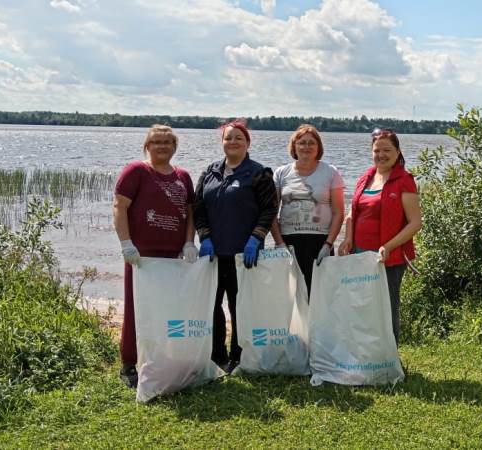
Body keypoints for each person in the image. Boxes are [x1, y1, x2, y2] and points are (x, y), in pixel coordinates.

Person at [113, 124, 197, 389]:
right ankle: (129, 362)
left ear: (175, 147)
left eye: (168, 142)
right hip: (142, 256)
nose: (162, 146)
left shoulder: (183, 176)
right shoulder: (136, 171)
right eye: (157, 141)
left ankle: (162, 357)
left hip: (173, 255)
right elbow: (119, 207)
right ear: (147, 146)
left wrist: (188, 242)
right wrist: (126, 243)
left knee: (168, 308)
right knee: (136, 307)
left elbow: (190, 212)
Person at [194, 119, 278, 374]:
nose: (233, 142)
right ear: (222, 142)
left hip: (245, 255)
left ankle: (239, 356)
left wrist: (256, 237)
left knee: (239, 305)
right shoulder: (210, 171)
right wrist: (204, 236)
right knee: (212, 303)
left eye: (238, 138)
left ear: (247, 143)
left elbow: (269, 209)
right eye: (228, 138)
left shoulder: (259, 173)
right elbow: (198, 207)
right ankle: (216, 354)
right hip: (213, 254)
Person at [338, 128, 422, 342]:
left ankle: (389, 358)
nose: (381, 155)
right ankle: (365, 354)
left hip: (389, 257)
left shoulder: (404, 180)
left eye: (387, 149)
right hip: (359, 254)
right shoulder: (365, 178)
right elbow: (352, 214)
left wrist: (389, 246)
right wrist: (347, 238)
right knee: (362, 305)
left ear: (397, 151)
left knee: (387, 306)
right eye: (377, 150)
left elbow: (415, 223)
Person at [270, 124, 345, 294]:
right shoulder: (281, 173)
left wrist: (329, 244)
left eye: (312, 143)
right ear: (294, 146)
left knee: (319, 295)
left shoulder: (331, 172)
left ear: (318, 147)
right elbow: (271, 212)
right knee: (290, 295)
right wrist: (279, 243)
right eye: (302, 143)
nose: (306, 147)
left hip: (320, 242)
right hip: (289, 241)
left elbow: (338, 212)